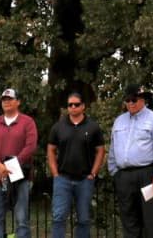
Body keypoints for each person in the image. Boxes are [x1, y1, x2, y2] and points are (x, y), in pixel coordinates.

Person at [107, 84, 153, 238]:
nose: (130, 103)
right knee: (128, 218)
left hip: (148, 175)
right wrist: (114, 171)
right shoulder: (119, 121)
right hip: (124, 176)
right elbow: (113, 147)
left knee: (151, 219)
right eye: (127, 100)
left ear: (143, 100)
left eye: (134, 100)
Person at [47, 92, 105, 238]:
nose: (73, 107)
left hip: (85, 180)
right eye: (70, 105)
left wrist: (93, 173)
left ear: (83, 106)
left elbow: (100, 151)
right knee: (58, 217)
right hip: (63, 179)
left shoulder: (93, 127)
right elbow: (51, 150)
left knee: (84, 219)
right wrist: (55, 173)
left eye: (76, 104)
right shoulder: (58, 127)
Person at [0, 88, 39, 238]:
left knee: (21, 219)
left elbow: (31, 146)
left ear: (18, 102)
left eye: (10, 99)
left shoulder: (27, 122)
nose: (7, 102)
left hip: (20, 177)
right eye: (4, 100)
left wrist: (11, 165)